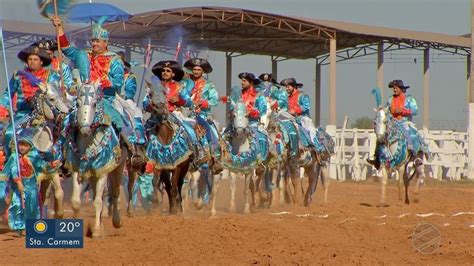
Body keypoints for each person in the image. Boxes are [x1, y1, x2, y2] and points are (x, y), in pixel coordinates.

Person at [50, 15, 144, 166]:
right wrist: (59, 27)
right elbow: (66, 49)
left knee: (119, 119)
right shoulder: (83, 55)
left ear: (106, 43)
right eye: (93, 40)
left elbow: (118, 84)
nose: (94, 43)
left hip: (104, 98)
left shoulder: (114, 60)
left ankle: (133, 151)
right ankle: (60, 153)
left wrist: (99, 86)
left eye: (97, 41)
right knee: (66, 120)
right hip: (83, 97)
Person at [0, 46, 60, 158]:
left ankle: (49, 165)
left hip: (44, 115)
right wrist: (3, 106)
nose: (32, 62)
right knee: (8, 134)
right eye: (30, 59)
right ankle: (12, 163)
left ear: (41, 62)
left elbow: (55, 93)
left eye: (35, 59)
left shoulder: (51, 75)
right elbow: (8, 93)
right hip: (22, 114)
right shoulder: (18, 76)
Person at [143, 60, 205, 166]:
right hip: (156, 116)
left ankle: (198, 154)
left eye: (168, 70)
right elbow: (145, 102)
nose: (165, 72)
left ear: (173, 74)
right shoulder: (154, 86)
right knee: (141, 134)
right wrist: (151, 106)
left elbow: (189, 102)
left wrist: (179, 101)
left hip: (174, 115)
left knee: (190, 131)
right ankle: (140, 157)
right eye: (163, 70)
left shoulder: (179, 87)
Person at [367, 79, 429, 169]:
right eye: (393, 88)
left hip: (405, 122)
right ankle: (376, 157)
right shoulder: (390, 99)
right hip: (393, 123)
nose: (394, 90)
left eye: (396, 88)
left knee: (411, 135)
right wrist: (382, 111)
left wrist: (403, 111)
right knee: (381, 136)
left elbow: (415, 111)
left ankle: (415, 157)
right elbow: (387, 109)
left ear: (401, 88)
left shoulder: (409, 99)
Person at [181, 58, 223, 174]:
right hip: (184, 113)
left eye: (198, 69)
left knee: (211, 132)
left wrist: (204, 103)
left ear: (203, 71)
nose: (196, 71)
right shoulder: (184, 83)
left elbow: (214, 100)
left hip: (202, 114)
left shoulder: (209, 85)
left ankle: (214, 158)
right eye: (194, 69)